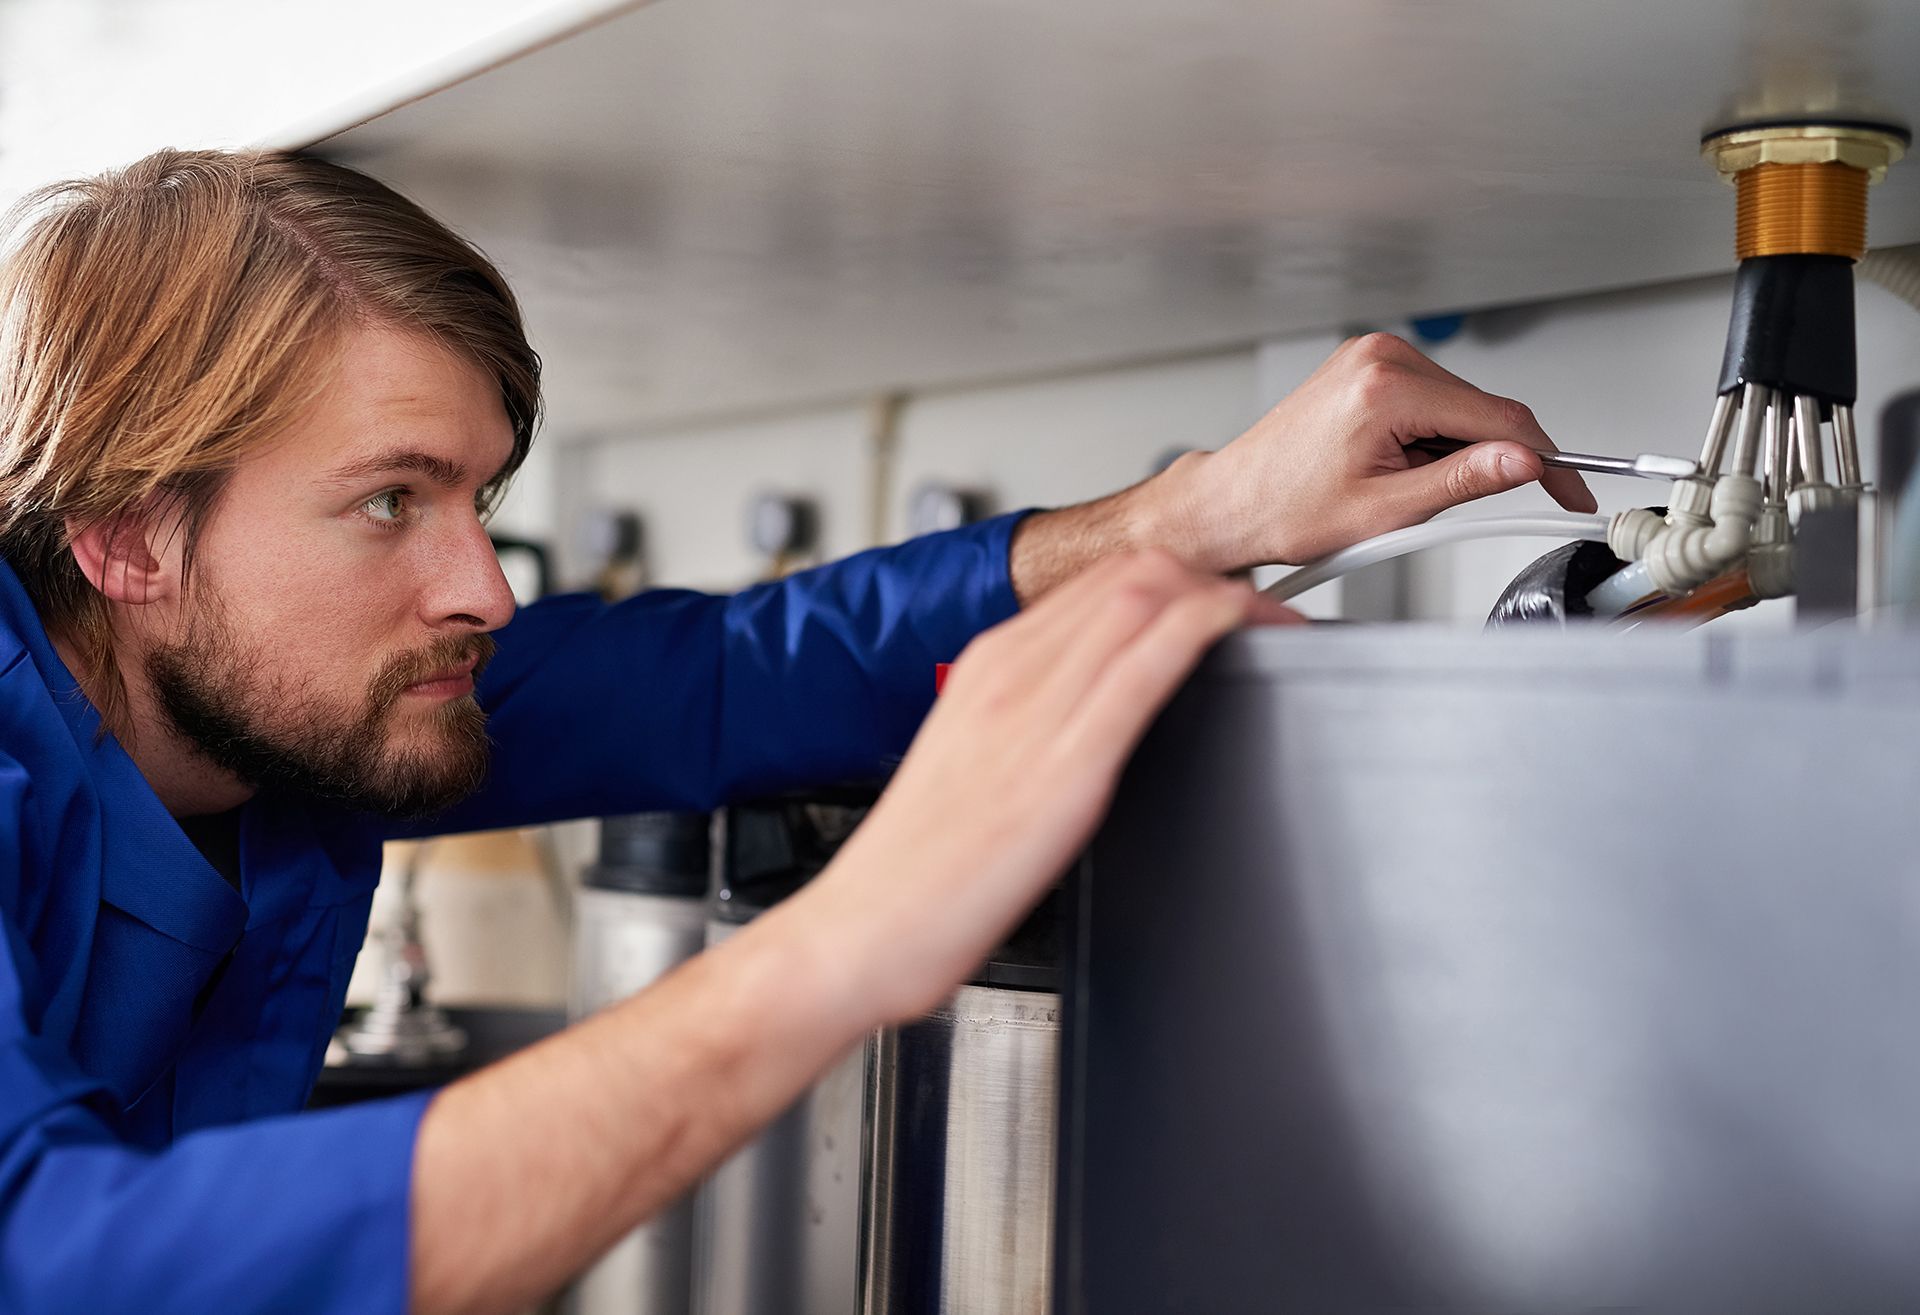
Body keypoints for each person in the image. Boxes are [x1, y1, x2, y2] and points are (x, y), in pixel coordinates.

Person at [0, 149, 1593, 1314]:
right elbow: (62, 1262)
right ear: (129, 539)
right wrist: (855, 940)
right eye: (388, 503)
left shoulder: (277, 709)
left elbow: (732, 675)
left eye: (477, 500)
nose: (484, 587)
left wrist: (1199, 514)